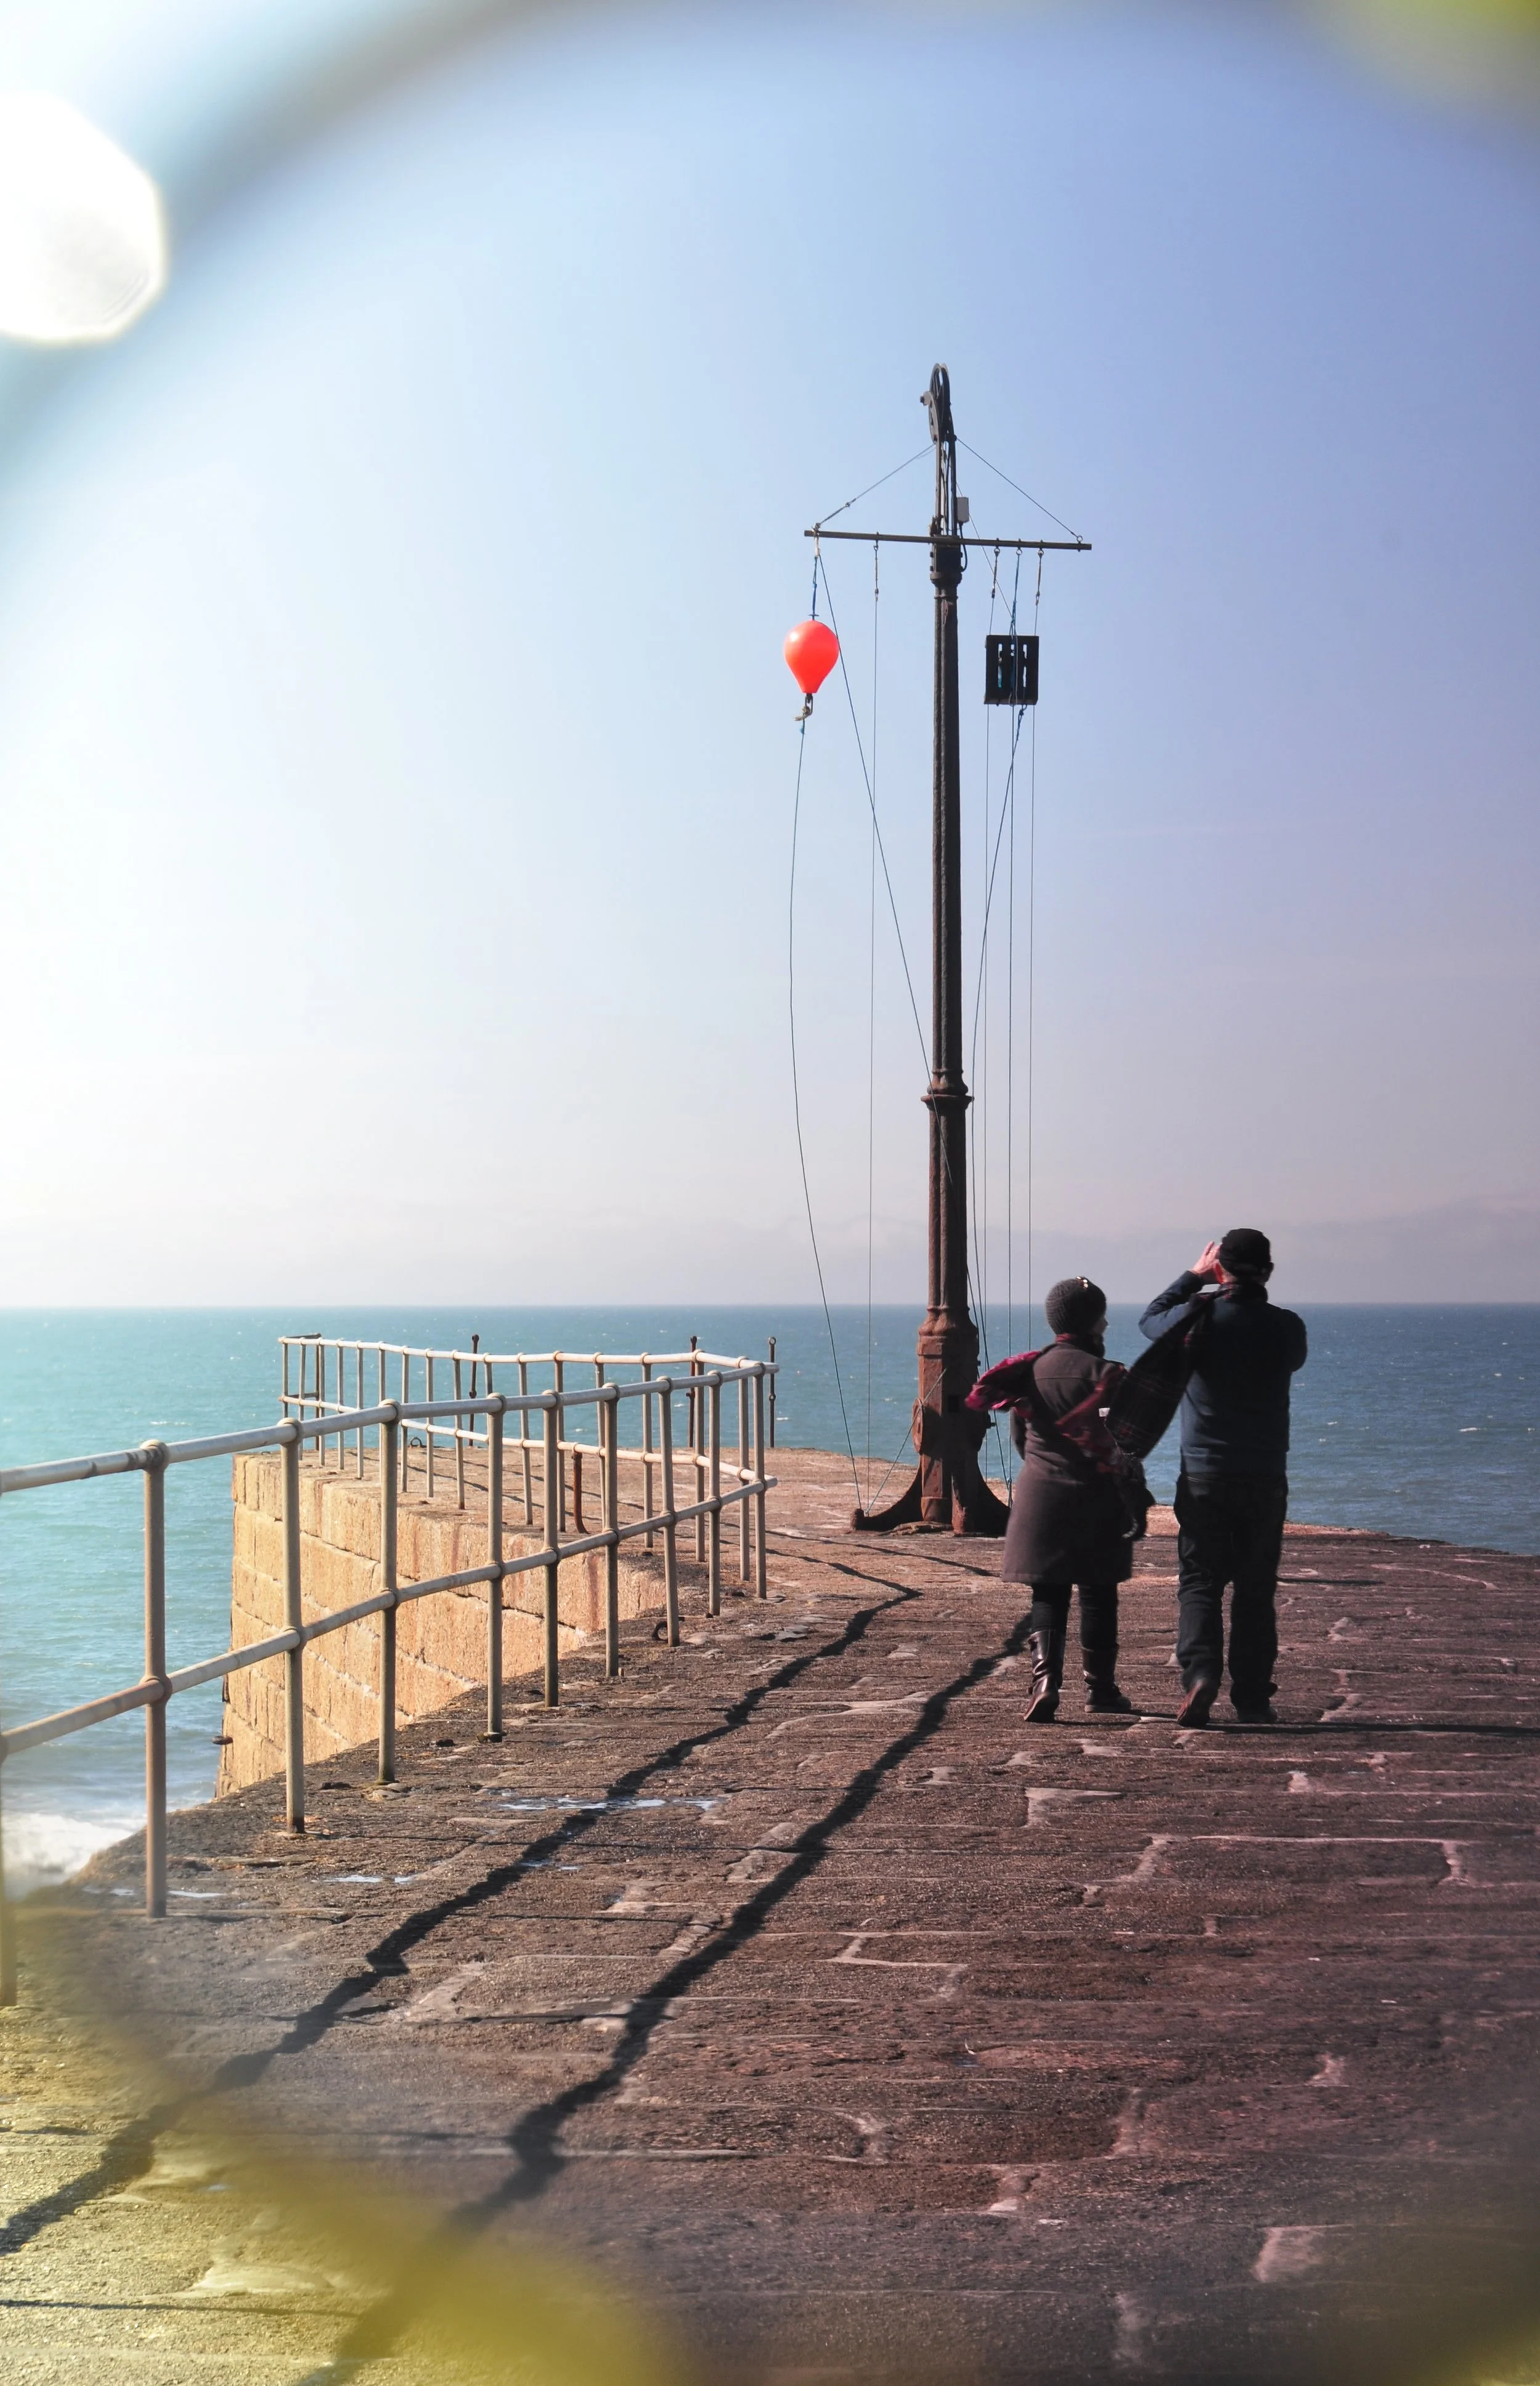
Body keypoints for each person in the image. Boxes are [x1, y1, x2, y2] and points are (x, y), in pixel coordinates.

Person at [1139, 1228, 1307, 1728]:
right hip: (1264, 1475)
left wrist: (1193, 1277)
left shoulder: (1199, 1319)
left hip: (1204, 1475)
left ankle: (1200, 1675)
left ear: (1222, 1268)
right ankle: (1253, 1698)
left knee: (1199, 1580)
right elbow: (1293, 1360)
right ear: (1269, 1271)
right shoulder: (1287, 1328)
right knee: (1256, 1588)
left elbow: (1150, 1320)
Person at [992, 1275, 1137, 1724]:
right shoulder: (1109, 1374)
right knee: (1097, 1592)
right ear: (1094, 1321)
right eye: (1103, 1315)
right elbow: (1125, 1442)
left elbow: (1020, 1437)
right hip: (1096, 1496)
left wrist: (1045, 1466)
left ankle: (1045, 1681)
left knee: (1048, 1593)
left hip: (1041, 1496)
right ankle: (1101, 1689)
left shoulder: (1029, 1370)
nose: (1108, 1322)